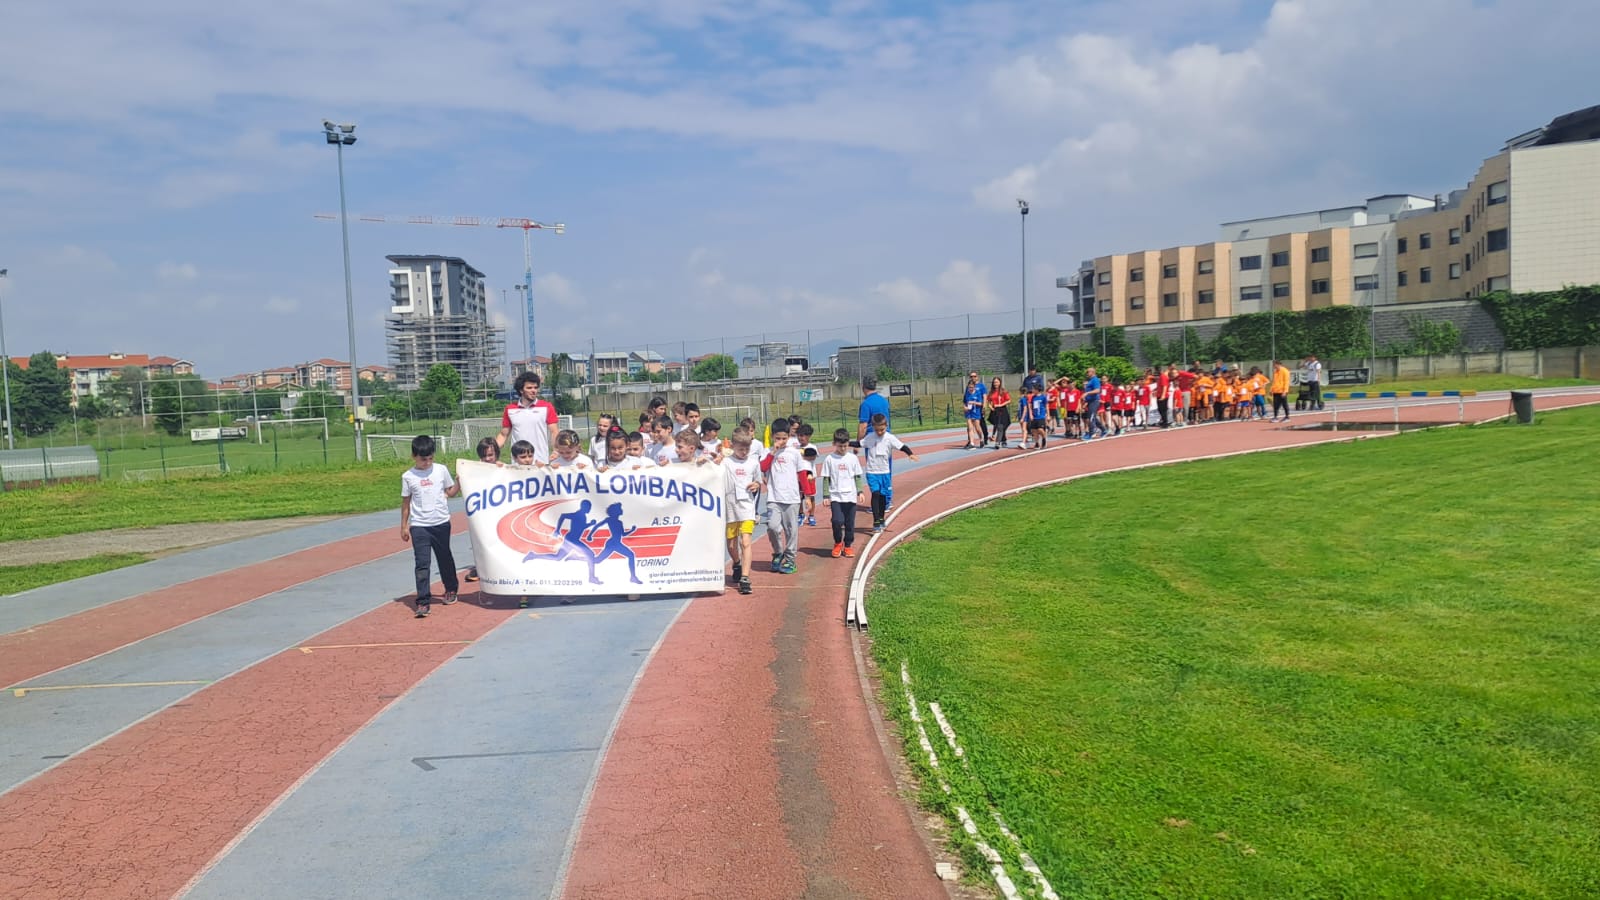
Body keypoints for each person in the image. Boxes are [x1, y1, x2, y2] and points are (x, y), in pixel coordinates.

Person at [400, 435, 460, 619]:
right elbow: (406, 503)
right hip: (419, 526)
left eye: (430, 458)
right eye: (423, 459)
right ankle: (423, 601)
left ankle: (451, 589)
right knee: (422, 564)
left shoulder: (441, 470)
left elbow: (451, 492)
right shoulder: (408, 477)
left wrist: (459, 482)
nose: (427, 463)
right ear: (414, 456)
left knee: (444, 557)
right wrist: (404, 526)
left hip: (441, 523)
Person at [859, 412, 918, 532]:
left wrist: (910, 454)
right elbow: (859, 443)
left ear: (886, 426)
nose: (879, 432)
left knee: (882, 496)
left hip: (884, 472)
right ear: (873, 427)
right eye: (877, 430)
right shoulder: (870, 437)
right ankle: (876, 521)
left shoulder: (890, 438)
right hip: (872, 471)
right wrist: (845, 443)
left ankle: (881, 518)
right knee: (875, 494)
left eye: (882, 429)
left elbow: (902, 446)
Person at [761, 419, 803, 574]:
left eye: (784, 438)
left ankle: (790, 558)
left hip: (792, 498)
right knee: (772, 526)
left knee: (791, 530)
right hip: (774, 497)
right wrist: (773, 452)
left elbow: (801, 473)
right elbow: (763, 467)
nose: (781, 441)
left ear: (789, 437)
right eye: (777, 438)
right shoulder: (768, 452)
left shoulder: (794, 453)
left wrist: (807, 494)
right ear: (772, 436)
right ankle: (778, 552)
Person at [722, 430, 762, 594]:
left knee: (745, 542)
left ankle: (745, 577)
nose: (744, 452)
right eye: (740, 449)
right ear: (733, 446)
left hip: (747, 507)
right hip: (730, 507)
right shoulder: (726, 462)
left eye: (747, 449)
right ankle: (737, 562)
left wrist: (756, 485)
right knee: (731, 544)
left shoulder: (753, 463)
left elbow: (758, 481)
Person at [819, 428, 867, 557]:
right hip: (836, 497)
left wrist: (860, 491)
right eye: (840, 446)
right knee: (837, 521)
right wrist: (826, 495)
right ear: (834, 444)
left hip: (850, 497)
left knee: (849, 523)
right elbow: (826, 478)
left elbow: (857, 476)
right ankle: (837, 543)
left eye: (845, 446)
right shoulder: (829, 459)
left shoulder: (852, 458)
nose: (843, 448)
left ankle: (848, 545)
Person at [495, 372, 559, 463]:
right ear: (521, 390)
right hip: (518, 462)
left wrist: (556, 451)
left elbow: (554, 431)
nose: (533, 390)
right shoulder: (510, 409)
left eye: (535, 387)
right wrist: (491, 452)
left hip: (540, 460)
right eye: (529, 388)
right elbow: (503, 435)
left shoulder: (546, 407)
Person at [462, 437, 502, 584]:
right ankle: (482, 568)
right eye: (484, 456)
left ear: (496, 454)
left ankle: (501, 568)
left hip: (500, 512)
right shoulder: (475, 470)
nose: (487, 459)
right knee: (483, 540)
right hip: (484, 514)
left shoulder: (504, 469)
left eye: (490, 455)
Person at [583, 502, 643, 586]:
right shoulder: (609, 519)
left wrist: (632, 530)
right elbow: (597, 526)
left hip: (617, 543)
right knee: (597, 560)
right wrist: (590, 535)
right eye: (619, 509)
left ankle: (633, 577)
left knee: (630, 555)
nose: (621, 510)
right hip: (611, 544)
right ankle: (577, 558)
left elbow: (623, 534)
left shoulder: (619, 522)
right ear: (615, 511)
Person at [794, 423, 818, 526]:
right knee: (799, 496)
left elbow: (812, 456)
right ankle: (801, 514)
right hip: (799, 477)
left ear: (809, 436)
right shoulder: (795, 448)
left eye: (802, 435)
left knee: (811, 496)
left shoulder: (812, 447)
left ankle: (811, 515)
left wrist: (802, 456)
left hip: (809, 476)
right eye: (798, 435)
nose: (800, 438)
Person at [857, 376, 890, 441]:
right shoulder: (884, 401)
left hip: (872, 439)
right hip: (886, 437)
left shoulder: (866, 404)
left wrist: (858, 443)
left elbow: (863, 426)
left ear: (863, 387)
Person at [1081, 367, 1108, 440]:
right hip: (1090, 401)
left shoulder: (1095, 380)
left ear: (1092, 372)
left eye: (1088, 372)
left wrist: (1087, 393)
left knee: (1091, 418)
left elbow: (1097, 390)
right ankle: (1104, 430)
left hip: (1094, 401)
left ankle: (1091, 433)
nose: (1087, 373)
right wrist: (1086, 399)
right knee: (1093, 417)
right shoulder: (1090, 380)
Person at [962, 371, 987, 449]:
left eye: (974, 376)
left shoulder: (979, 390)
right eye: (969, 387)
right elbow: (964, 401)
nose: (970, 388)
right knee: (970, 427)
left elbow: (982, 400)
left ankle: (981, 439)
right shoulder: (967, 392)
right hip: (969, 412)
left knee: (977, 427)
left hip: (976, 411)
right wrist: (965, 407)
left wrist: (982, 406)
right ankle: (972, 443)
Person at [986, 377, 1012, 448]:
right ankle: (1000, 441)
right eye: (994, 382)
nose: (995, 384)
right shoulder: (991, 392)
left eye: (997, 382)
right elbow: (989, 401)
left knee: (1003, 426)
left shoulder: (1003, 391)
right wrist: (990, 407)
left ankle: (1001, 440)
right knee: (999, 426)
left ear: (1000, 383)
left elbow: (1008, 400)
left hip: (1002, 410)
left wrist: (1001, 405)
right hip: (995, 411)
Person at [1021, 382, 1048, 449]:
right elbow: (1030, 406)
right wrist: (1031, 414)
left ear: (1037, 389)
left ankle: (1044, 438)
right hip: (1034, 416)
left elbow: (1046, 406)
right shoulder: (1033, 397)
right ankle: (1037, 443)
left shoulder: (1043, 397)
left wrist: (1048, 414)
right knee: (1034, 430)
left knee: (1040, 429)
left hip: (1041, 416)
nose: (1032, 390)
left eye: (1033, 389)